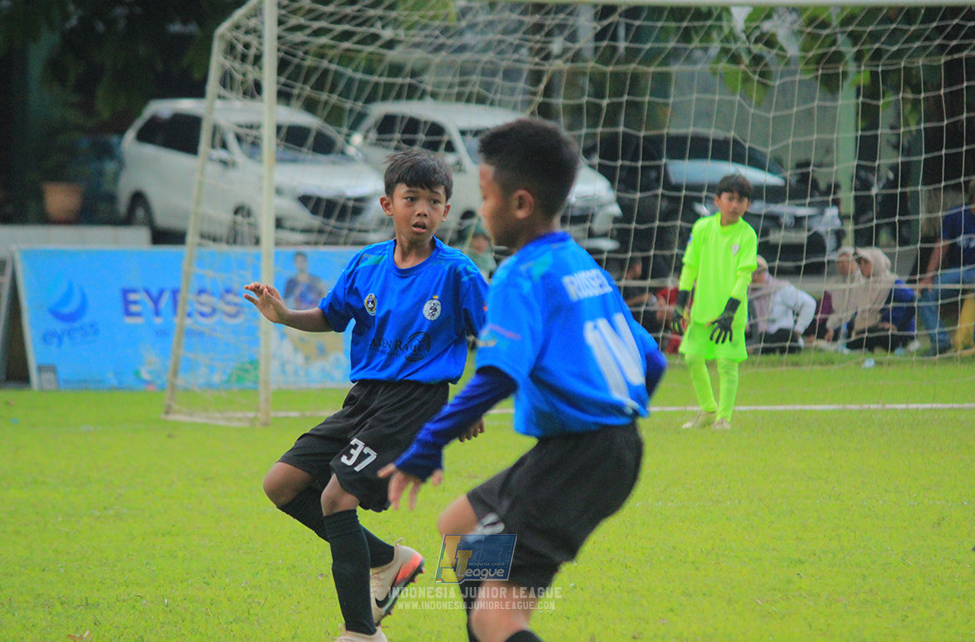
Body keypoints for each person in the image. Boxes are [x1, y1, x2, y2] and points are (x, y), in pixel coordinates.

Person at [378, 118, 667, 642]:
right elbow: (654, 362)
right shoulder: (580, 263)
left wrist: (426, 447)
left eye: (485, 197)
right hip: (598, 449)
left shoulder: (520, 274)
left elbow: (496, 375)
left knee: (499, 617)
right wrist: (610, 416)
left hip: (578, 457)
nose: (480, 211)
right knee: (458, 527)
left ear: (520, 204)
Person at [243, 148, 489, 642]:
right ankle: (386, 560)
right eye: (410, 198)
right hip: (365, 398)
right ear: (387, 204)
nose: (421, 209)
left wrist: (470, 406)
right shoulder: (367, 263)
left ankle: (360, 632)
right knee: (280, 485)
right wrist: (286, 315)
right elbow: (333, 317)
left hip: (415, 402)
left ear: (445, 211)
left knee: (337, 497)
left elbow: (497, 339)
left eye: (433, 201)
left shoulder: (458, 272)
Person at [669, 174, 758, 430]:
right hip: (702, 311)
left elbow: (744, 276)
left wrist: (730, 312)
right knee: (692, 358)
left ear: (748, 205)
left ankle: (723, 418)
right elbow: (690, 267)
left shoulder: (747, 235)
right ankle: (708, 409)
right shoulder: (702, 228)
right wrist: (680, 304)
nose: (735, 205)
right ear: (717, 200)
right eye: (730, 199)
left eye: (741, 201)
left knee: (727, 364)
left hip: (729, 314)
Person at [917, 177, 975, 356]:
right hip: (958, 271)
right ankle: (941, 342)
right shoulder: (956, 214)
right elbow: (941, 247)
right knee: (924, 294)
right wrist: (928, 277)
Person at [846, 247, 916, 352]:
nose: (862, 267)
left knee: (881, 335)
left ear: (876, 263)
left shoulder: (892, 283)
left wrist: (896, 324)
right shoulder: (865, 285)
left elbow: (912, 300)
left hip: (893, 331)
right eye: (860, 263)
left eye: (866, 263)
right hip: (872, 326)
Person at [747, 255, 817, 355]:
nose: (754, 277)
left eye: (759, 273)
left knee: (784, 335)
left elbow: (809, 304)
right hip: (756, 335)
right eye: (751, 273)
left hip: (779, 336)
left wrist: (798, 330)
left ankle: (755, 349)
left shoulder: (780, 289)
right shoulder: (745, 294)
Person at [818, 246, 862, 345]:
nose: (843, 265)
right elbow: (825, 308)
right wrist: (829, 327)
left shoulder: (863, 282)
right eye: (840, 262)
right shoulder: (833, 283)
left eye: (847, 261)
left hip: (854, 322)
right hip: (833, 322)